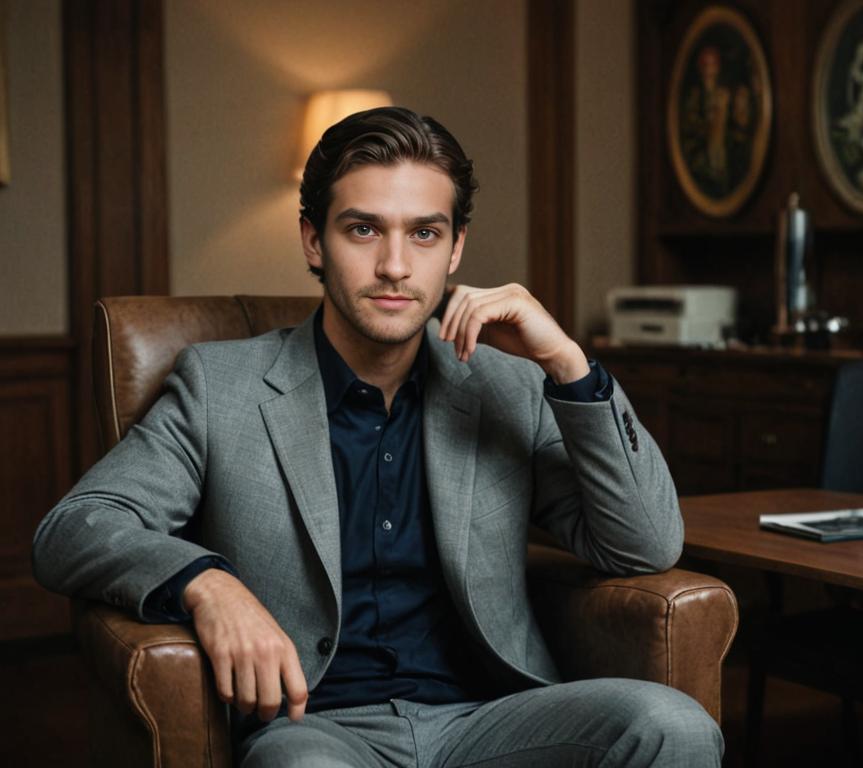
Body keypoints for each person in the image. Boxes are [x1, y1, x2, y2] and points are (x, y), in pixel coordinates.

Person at [33, 107, 722, 767]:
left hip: (490, 720)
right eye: (363, 230)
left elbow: (643, 543)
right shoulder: (223, 387)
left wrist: (568, 365)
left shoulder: (506, 386)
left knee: (672, 727)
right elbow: (75, 527)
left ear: (455, 250)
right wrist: (207, 584)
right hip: (318, 729)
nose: (395, 266)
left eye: (424, 234)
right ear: (313, 240)